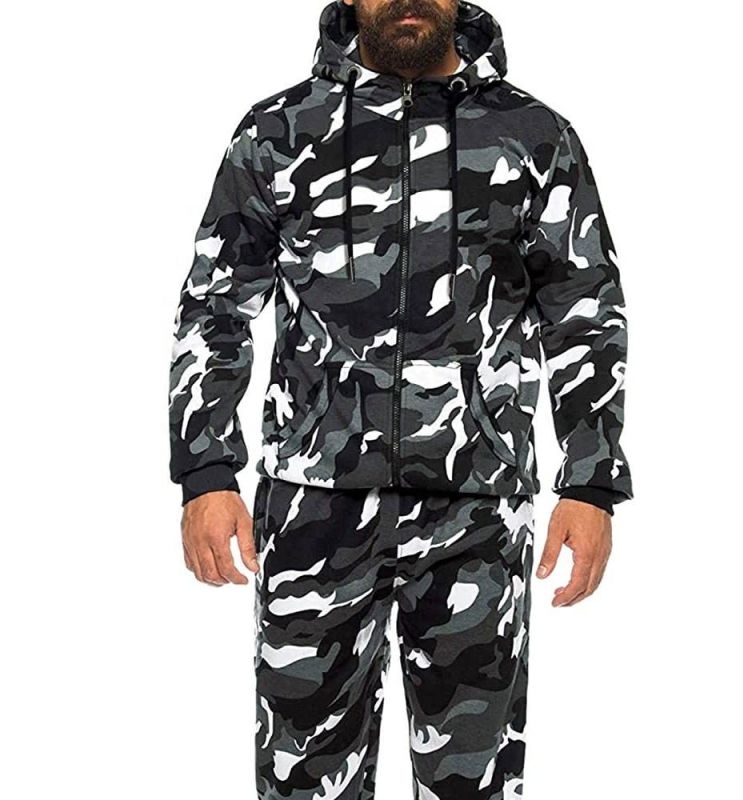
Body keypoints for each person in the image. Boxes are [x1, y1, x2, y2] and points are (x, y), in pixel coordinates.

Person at [168, 0, 633, 797]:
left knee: (474, 784)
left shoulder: (533, 137)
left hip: (476, 512)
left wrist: (591, 482)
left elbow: (585, 313)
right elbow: (215, 306)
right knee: (303, 783)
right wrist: (206, 472)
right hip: (313, 508)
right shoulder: (279, 131)